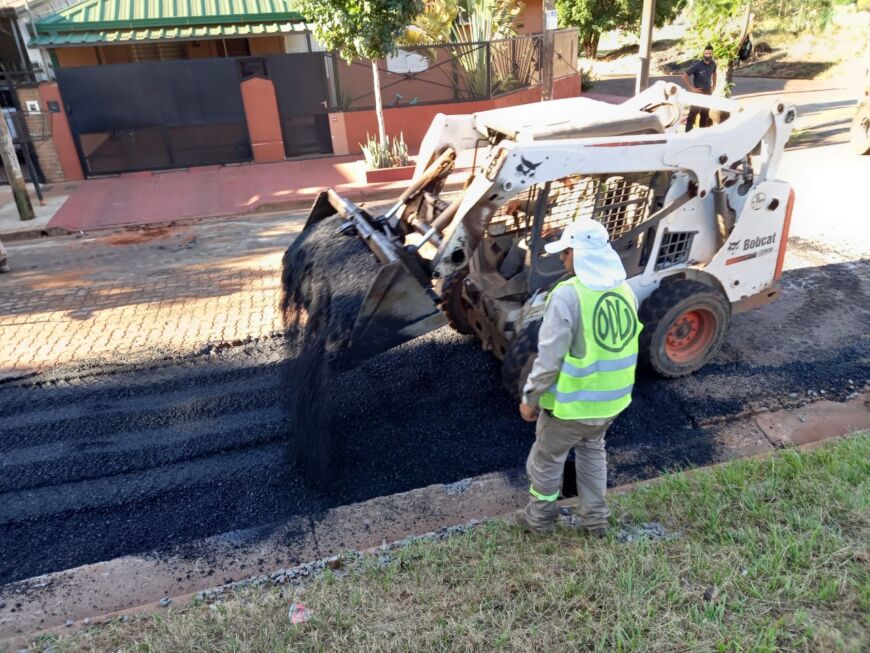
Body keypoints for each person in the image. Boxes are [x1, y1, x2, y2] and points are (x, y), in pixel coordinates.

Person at [514, 218, 640, 535]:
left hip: (573, 405)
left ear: (579, 254)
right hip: (612, 401)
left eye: (566, 252)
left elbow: (549, 358)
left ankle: (539, 521)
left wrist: (530, 398)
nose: (562, 258)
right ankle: (595, 521)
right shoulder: (625, 290)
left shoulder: (568, 295)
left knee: (546, 459)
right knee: (592, 451)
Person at [681, 44, 718, 131]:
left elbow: (714, 73)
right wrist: (692, 88)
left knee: (705, 115)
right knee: (692, 115)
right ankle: (688, 134)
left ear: (712, 54)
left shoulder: (713, 64)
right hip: (698, 94)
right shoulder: (698, 65)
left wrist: (714, 85)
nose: (708, 55)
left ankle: (702, 134)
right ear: (703, 54)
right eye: (706, 53)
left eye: (709, 54)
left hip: (708, 93)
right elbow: (684, 76)